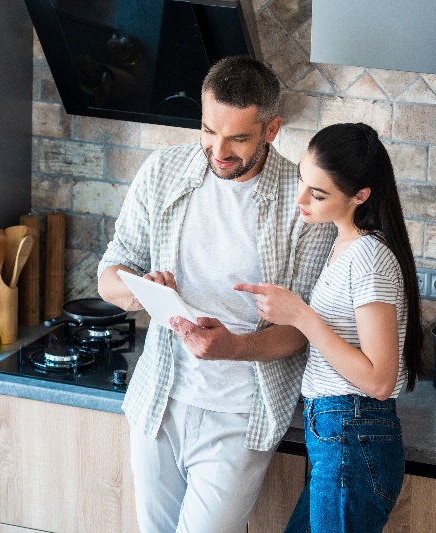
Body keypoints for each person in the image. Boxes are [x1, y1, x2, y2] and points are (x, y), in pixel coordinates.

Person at [97, 55, 334, 533]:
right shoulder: (164, 169)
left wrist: (238, 347)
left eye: (238, 138)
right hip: (159, 400)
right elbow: (109, 275)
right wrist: (141, 290)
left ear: (271, 130)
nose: (218, 149)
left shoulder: (303, 199)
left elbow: (306, 329)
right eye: (208, 130)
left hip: (241, 413)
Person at [232, 122, 423, 532]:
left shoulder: (369, 258)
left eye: (318, 194)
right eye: (302, 179)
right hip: (340, 432)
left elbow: (378, 380)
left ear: (360, 196)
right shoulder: (344, 245)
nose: (301, 198)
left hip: (353, 432)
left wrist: (300, 315)